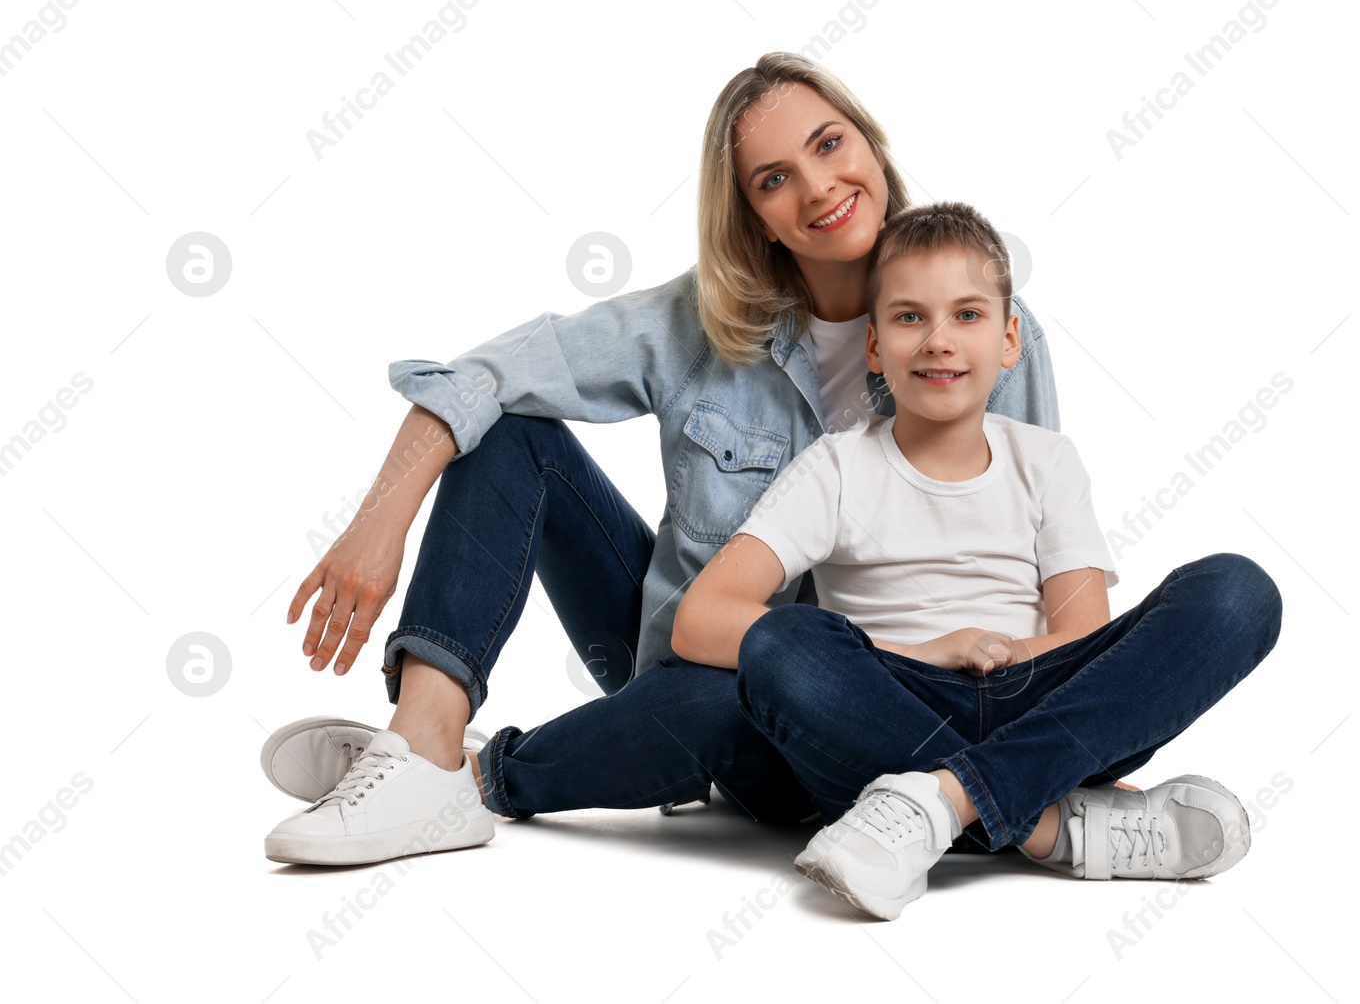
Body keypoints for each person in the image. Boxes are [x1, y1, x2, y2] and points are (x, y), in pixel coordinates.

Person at [260, 52, 1063, 866]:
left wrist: (1044, 763)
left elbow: (1028, 559)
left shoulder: (987, 326)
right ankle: (423, 740)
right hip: (689, 657)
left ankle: (472, 778)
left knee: (736, 692)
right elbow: (479, 379)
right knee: (510, 431)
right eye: (774, 178)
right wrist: (378, 523)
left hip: (864, 715)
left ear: (872, 144)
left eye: (829, 144)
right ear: (752, 214)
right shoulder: (702, 317)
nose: (819, 187)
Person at [671, 201, 1283, 919]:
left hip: (1036, 698)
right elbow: (701, 620)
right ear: (873, 345)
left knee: (1240, 591)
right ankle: (1053, 825)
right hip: (886, 710)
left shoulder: (1047, 460)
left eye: (967, 315)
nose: (938, 340)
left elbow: (1084, 640)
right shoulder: (837, 466)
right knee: (779, 640)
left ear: (1009, 337)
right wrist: (925, 654)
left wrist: (1009, 656)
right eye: (909, 318)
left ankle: (944, 800)